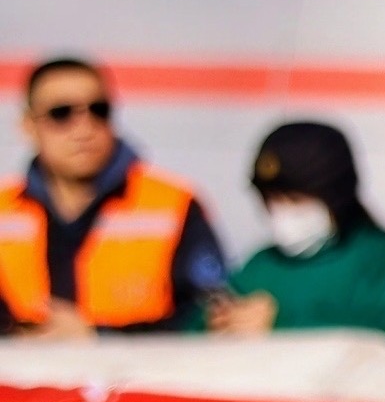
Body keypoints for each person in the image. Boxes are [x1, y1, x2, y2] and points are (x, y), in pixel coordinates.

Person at [0, 55, 231, 336]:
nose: (84, 129)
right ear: (28, 126)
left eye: (99, 110)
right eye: (61, 113)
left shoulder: (174, 205)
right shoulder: (3, 210)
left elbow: (207, 318)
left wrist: (99, 337)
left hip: (139, 377)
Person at [207, 121, 385, 339]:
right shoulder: (263, 265)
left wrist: (282, 324)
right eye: (271, 200)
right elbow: (195, 329)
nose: (281, 213)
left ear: (336, 198)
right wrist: (221, 322)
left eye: (296, 200)